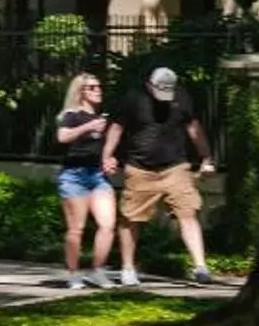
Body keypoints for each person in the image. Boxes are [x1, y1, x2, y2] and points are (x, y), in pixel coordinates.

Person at [101, 64, 217, 287]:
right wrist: (107, 156)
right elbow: (117, 128)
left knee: (188, 212)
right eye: (160, 91)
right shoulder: (134, 99)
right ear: (149, 85)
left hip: (176, 167)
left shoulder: (181, 97)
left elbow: (194, 128)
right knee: (130, 218)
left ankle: (200, 267)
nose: (164, 97)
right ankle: (127, 268)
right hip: (140, 168)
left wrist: (206, 157)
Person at [52, 72, 117, 288]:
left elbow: (105, 147)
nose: (98, 90)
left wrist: (110, 160)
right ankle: (73, 274)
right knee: (76, 229)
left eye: (99, 86)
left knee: (107, 225)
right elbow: (62, 137)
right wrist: (88, 127)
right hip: (74, 176)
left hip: (98, 175)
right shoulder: (72, 114)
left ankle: (97, 270)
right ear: (80, 92)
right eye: (92, 87)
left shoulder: (102, 118)